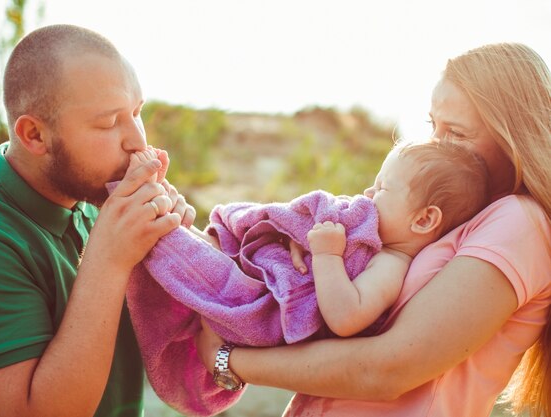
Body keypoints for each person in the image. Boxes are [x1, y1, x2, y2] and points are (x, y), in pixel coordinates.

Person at [195, 43, 551, 417]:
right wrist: (307, 245)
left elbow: (388, 369)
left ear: (514, 138)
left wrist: (228, 360)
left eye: (457, 134)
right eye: (433, 125)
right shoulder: (448, 218)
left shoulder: (520, 223)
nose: (436, 145)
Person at [0, 25, 194, 417]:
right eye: (108, 123)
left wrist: (187, 252)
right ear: (34, 135)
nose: (137, 140)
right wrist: (110, 258)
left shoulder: (92, 200)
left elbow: (189, 355)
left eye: (137, 113)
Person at [121, 139, 488, 416]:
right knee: (225, 248)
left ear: (423, 220)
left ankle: (156, 222)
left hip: (271, 316)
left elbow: (346, 317)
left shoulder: (391, 263)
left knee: (208, 271)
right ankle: (168, 216)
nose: (367, 194)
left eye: (382, 190)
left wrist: (327, 255)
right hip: (271, 279)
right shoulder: (370, 238)